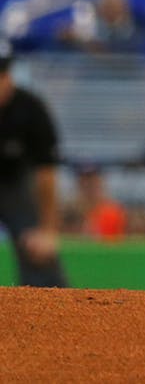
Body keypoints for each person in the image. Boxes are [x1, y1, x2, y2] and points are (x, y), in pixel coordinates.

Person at [0, 54, 66, 286]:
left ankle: (54, 312)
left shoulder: (30, 109)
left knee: (36, 246)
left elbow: (46, 173)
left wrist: (47, 229)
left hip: (17, 184)